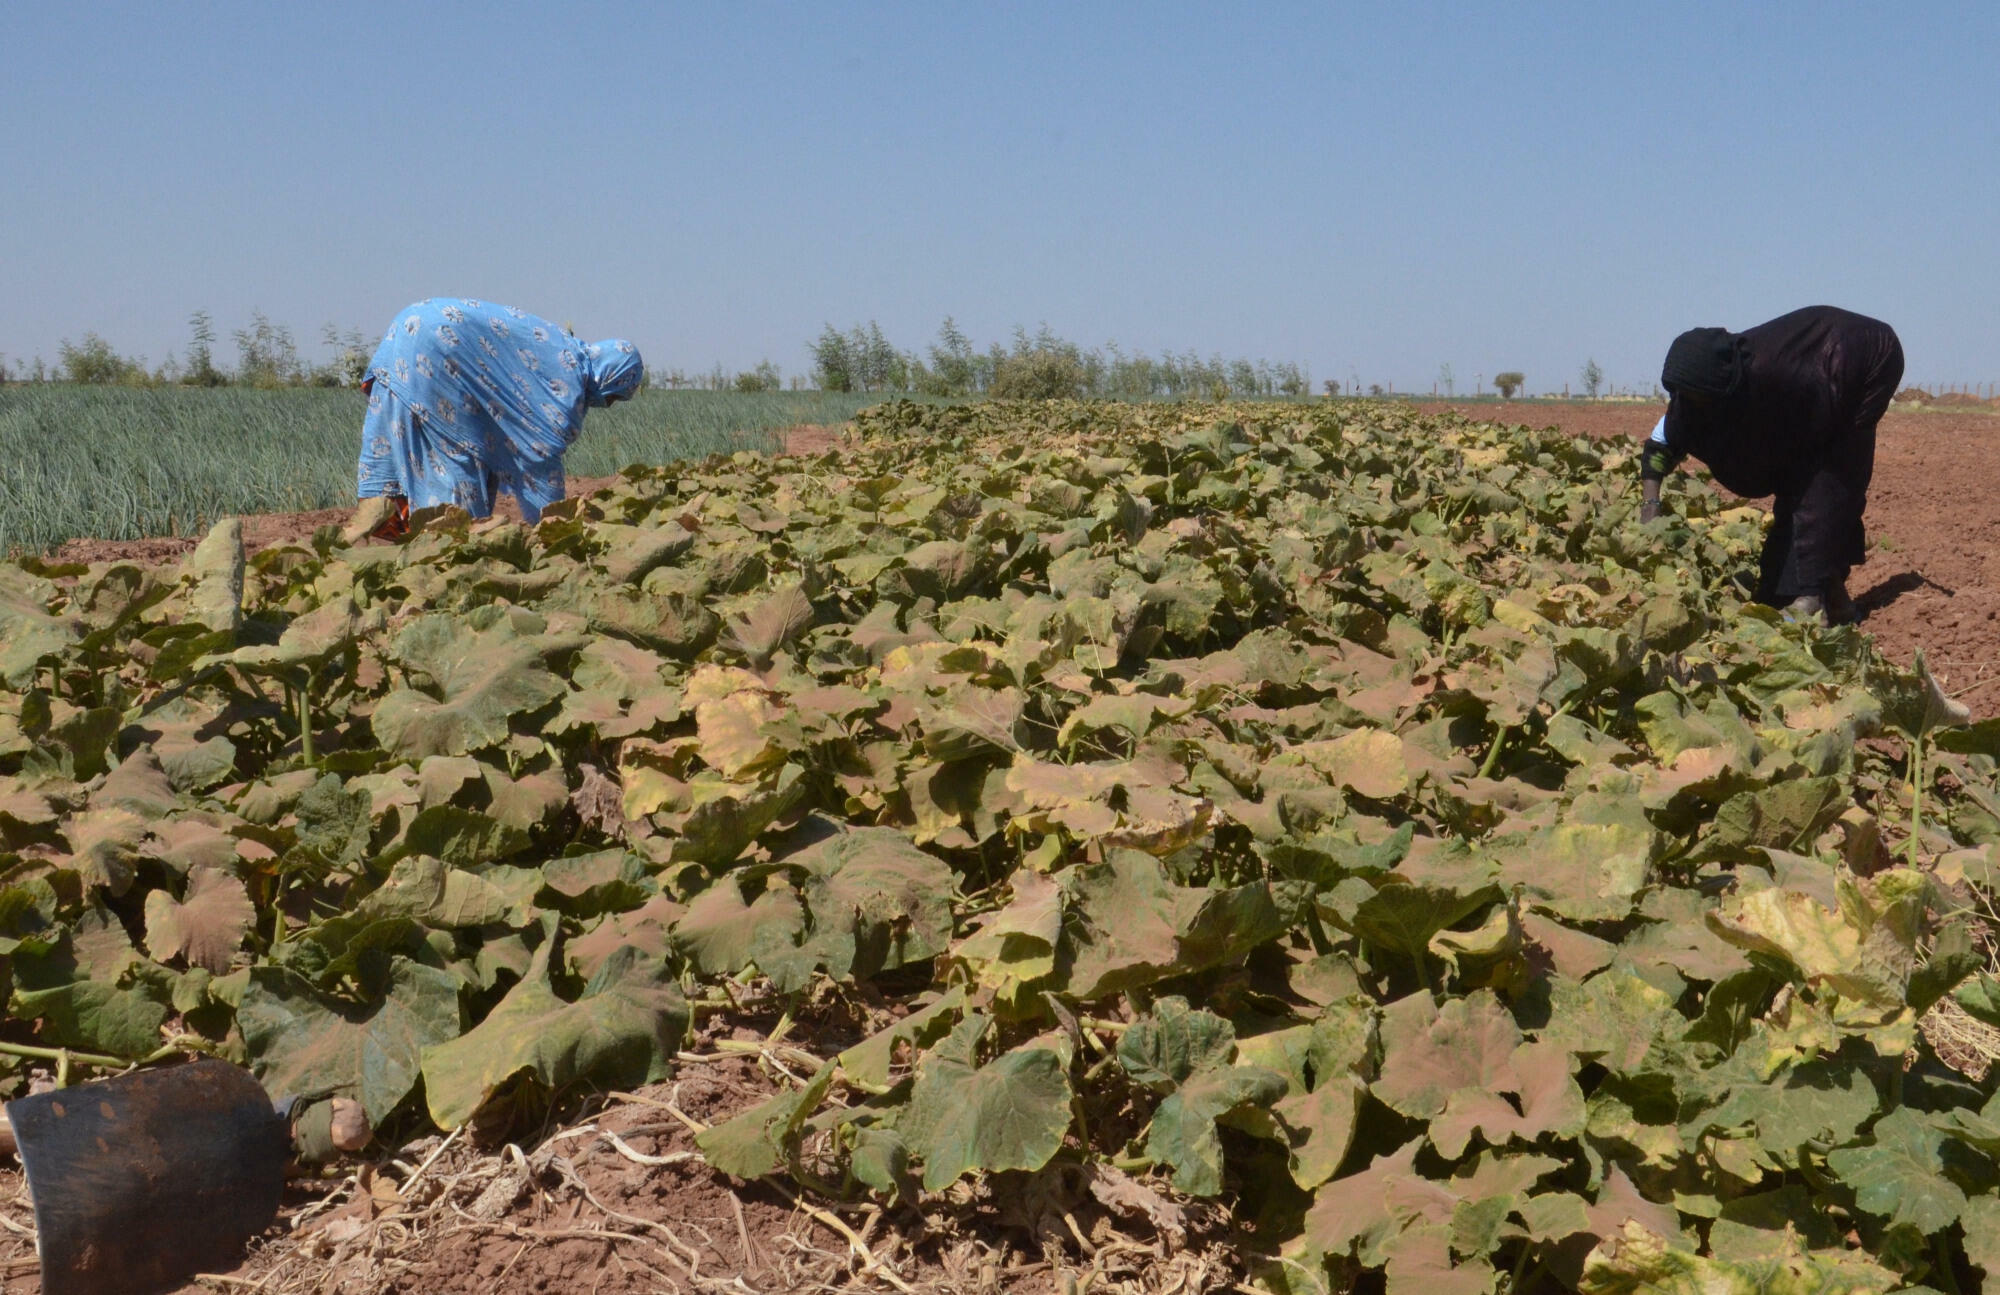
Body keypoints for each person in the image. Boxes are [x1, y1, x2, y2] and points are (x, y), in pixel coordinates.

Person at [1639, 305, 1903, 623]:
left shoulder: (1779, 379)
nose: (1694, 406)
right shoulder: (1692, 402)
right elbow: (1658, 448)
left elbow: (1815, 471)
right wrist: (1650, 508)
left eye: (1701, 401)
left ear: (1722, 394)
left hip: (1861, 359)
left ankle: (1812, 598)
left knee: (1826, 480)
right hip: (1817, 368)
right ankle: (1830, 596)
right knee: (1774, 584)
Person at [353, 299, 643, 535]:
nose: (608, 403)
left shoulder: (559, 348)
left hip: (407, 331)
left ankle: (395, 532)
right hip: (437, 350)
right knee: (455, 464)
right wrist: (560, 531)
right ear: (611, 377)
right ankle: (446, 544)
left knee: (453, 438)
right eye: (614, 396)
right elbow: (540, 463)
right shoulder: (565, 387)